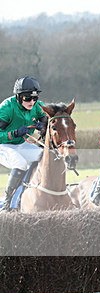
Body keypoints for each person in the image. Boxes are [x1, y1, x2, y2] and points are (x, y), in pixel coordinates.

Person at [0, 76, 47, 211]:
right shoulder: (7, 108)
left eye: (35, 98)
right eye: (27, 98)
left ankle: (27, 191)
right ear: (19, 97)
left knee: (44, 155)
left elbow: (47, 119)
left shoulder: (37, 106)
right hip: (3, 146)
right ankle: (7, 203)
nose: (32, 102)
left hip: (21, 144)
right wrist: (13, 133)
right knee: (20, 163)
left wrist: (43, 126)